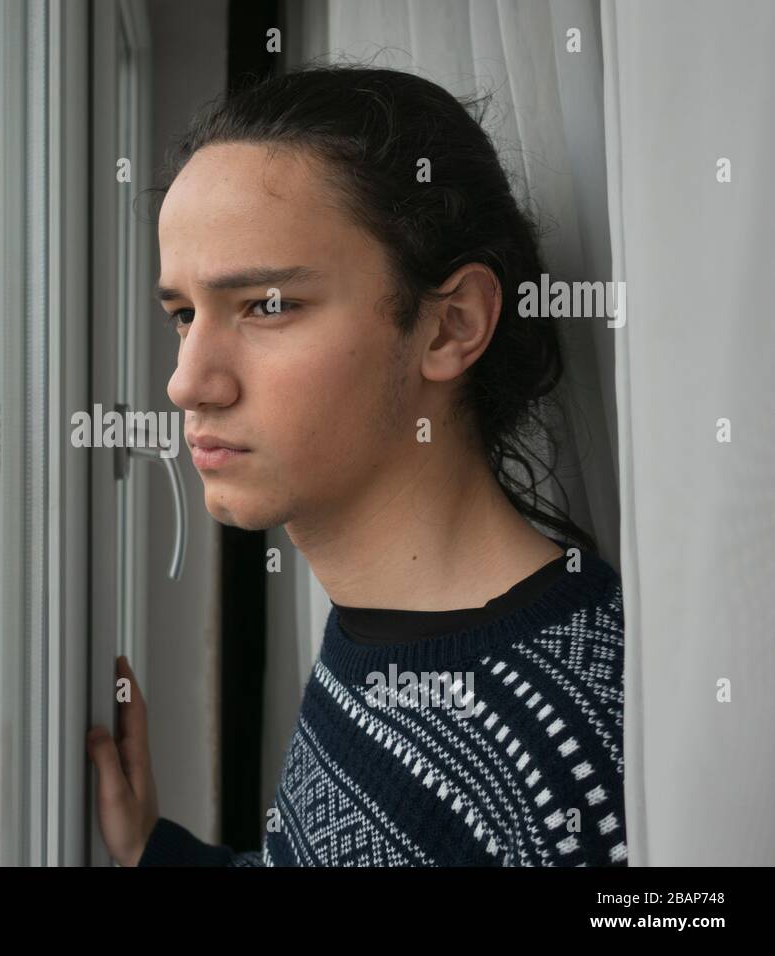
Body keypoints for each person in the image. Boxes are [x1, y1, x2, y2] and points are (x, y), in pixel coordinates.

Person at [86, 64, 626, 866]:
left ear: (449, 327)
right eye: (182, 314)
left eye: (266, 306)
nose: (187, 382)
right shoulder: (387, 633)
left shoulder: (570, 762)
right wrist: (155, 855)